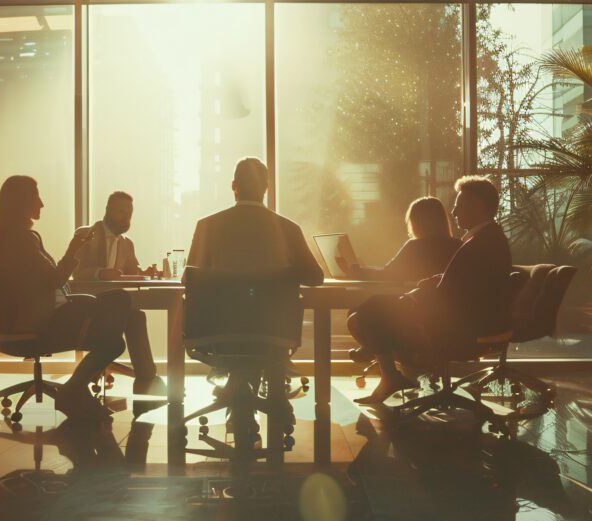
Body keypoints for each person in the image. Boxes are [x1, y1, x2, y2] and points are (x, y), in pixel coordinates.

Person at [347, 175, 513, 404]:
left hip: (457, 325)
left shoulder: (479, 243)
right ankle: (383, 362)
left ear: (478, 208)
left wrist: (415, 297)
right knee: (373, 308)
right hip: (465, 317)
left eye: (459, 206)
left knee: (370, 311)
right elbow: (462, 281)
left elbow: (454, 289)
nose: (454, 213)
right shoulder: (484, 240)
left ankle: (384, 364)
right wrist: (432, 282)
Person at [0, 176, 135, 420]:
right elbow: (55, 281)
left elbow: (46, 282)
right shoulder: (22, 241)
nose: (42, 204)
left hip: (39, 315)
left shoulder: (9, 239)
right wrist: (74, 249)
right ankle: (75, 389)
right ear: (22, 203)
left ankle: (78, 387)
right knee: (118, 307)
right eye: (36, 197)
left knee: (114, 330)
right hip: (42, 321)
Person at [72, 191, 162, 393]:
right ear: (107, 211)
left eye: (129, 213)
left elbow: (131, 271)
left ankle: (146, 379)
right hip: (87, 306)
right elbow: (75, 273)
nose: (126, 218)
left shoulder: (126, 244)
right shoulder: (86, 234)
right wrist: (99, 273)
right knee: (134, 317)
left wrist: (144, 272)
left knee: (136, 316)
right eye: (121, 212)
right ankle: (147, 378)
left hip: (113, 307)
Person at [186, 157, 323, 286]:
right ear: (266, 188)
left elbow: (189, 279)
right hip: (274, 311)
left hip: (224, 310)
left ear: (234, 186)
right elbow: (315, 277)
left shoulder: (206, 227)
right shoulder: (289, 229)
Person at [341, 196, 461, 282]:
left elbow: (387, 274)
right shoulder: (458, 247)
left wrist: (357, 271)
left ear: (417, 222)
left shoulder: (415, 247)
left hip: (411, 307)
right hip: (446, 311)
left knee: (357, 313)